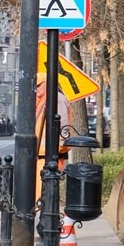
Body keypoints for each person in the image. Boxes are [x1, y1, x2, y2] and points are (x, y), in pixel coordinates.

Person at [34, 71, 72, 204]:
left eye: (39, 85)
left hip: (50, 158)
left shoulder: (57, 100)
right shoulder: (42, 101)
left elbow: (64, 130)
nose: (36, 88)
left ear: (47, 84)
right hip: (42, 157)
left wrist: (57, 150)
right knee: (40, 198)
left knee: (45, 199)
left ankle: (48, 222)